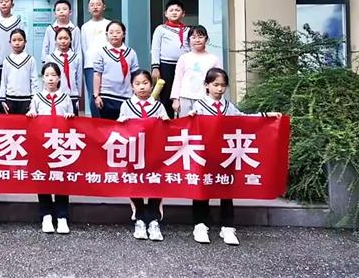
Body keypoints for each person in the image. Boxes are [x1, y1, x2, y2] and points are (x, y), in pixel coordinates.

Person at [186, 68, 281, 246]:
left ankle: (227, 226)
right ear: (206, 85)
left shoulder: (228, 106)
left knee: (227, 190)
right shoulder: (199, 105)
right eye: (215, 84)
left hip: (225, 154)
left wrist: (265, 116)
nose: (219, 89)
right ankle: (200, 224)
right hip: (205, 155)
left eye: (223, 85)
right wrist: (191, 117)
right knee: (202, 189)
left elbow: (243, 119)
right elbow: (190, 124)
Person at [117, 70, 169, 242]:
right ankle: (139, 218)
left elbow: (167, 127)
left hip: (154, 152)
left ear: (151, 86)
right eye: (137, 84)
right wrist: (121, 122)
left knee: (155, 182)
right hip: (134, 152)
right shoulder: (126, 105)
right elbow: (119, 128)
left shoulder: (158, 106)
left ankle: (153, 219)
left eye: (145, 83)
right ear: (132, 87)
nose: (141, 87)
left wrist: (165, 120)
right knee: (135, 183)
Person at [28, 62, 75, 235]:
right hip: (43, 145)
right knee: (43, 178)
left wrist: (70, 117)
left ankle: (62, 216)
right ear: (42, 78)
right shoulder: (37, 98)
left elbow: (73, 121)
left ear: (59, 78)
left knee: (61, 179)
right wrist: (31, 115)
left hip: (61, 146)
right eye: (47, 75)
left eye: (53, 75)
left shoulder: (66, 98)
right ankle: (46, 215)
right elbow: (31, 117)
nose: (50, 79)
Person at [170, 25, 223, 117]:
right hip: (185, 97)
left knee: (205, 124)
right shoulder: (184, 58)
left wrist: (218, 99)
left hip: (205, 98)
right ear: (189, 40)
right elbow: (177, 79)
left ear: (206, 39)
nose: (197, 40)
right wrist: (175, 99)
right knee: (186, 124)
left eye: (200, 37)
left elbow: (219, 81)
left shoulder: (214, 59)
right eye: (193, 37)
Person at [92, 21, 140, 120]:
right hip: (106, 96)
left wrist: (136, 94)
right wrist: (96, 95)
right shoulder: (101, 52)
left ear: (124, 34)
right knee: (107, 126)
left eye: (118, 32)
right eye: (111, 32)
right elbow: (97, 74)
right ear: (106, 35)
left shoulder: (131, 53)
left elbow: (135, 75)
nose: (114, 35)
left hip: (126, 96)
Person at [151, 0, 190, 118]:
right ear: (166, 13)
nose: (174, 12)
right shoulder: (161, 29)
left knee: (182, 93)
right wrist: (155, 67)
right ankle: (166, 120)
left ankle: (181, 121)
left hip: (184, 66)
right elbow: (155, 48)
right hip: (166, 66)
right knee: (166, 95)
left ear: (183, 13)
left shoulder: (188, 30)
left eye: (177, 10)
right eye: (171, 10)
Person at [0, 0, 26, 104]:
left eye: (6, 1)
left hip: (16, 62)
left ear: (12, 4)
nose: (4, 4)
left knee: (14, 89)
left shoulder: (18, 22)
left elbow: (23, 41)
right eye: (1, 2)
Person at [0, 28, 39, 115]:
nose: (17, 43)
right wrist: (2, 99)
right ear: (10, 42)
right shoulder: (7, 60)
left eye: (20, 40)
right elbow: (3, 81)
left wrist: (34, 100)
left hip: (26, 100)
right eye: (14, 40)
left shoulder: (30, 60)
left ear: (25, 42)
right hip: (10, 100)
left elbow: (34, 81)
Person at [81, 0, 110, 117]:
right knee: (93, 95)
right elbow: (84, 48)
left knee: (107, 94)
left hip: (108, 65)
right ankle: (96, 122)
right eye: (92, 5)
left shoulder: (109, 24)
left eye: (98, 4)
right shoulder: (85, 27)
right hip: (90, 65)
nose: (95, 7)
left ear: (104, 7)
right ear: (88, 8)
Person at [46, 27, 83, 116]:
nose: (63, 41)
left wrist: (79, 95)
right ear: (55, 40)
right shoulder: (50, 58)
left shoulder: (76, 57)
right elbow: (47, 78)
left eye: (66, 38)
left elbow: (79, 77)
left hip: (72, 95)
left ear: (71, 40)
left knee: (72, 122)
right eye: (60, 38)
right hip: (56, 95)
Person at [40, 0, 81, 64]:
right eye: (58, 10)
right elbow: (46, 46)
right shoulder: (50, 29)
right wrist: (45, 61)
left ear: (70, 12)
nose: (61, 11)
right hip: (53, 62)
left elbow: (78, 48)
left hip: (71, 61)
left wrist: (79, 62)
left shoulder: (75, 29)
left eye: (64, 9)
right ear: (55, 13)